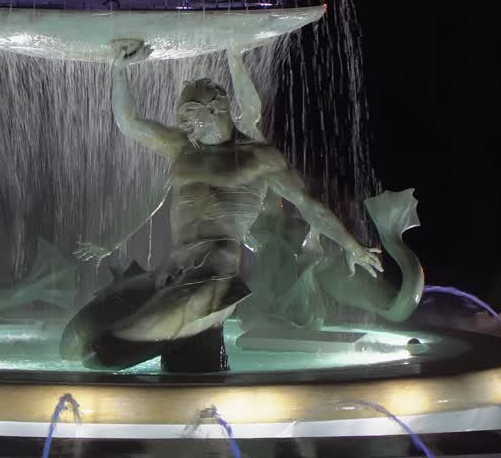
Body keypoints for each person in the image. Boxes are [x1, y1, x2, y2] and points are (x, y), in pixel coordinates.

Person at [62, 39, 382, 371]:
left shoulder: (258, 158)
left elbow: (308, 204)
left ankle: (197, 333)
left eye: (190, 114)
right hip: (168, 273)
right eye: (180, 114)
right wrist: (120, 69)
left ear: (217, 109)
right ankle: (186, 334)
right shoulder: (180, 147)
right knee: (73, 343)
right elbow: (128, 123)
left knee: (103, 354)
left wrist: (351, 245)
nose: (183, 122)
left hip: (214, 277)